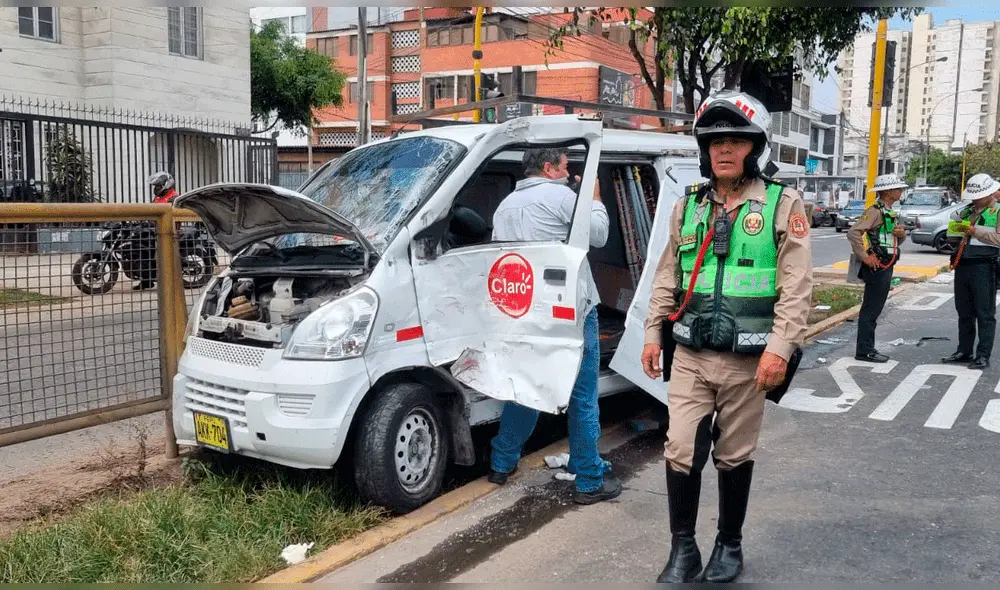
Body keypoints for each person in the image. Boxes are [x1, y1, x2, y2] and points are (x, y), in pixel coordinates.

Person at [640, 90, 813, 583]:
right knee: (679, 449)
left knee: (734, 455)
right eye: (715, 140)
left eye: (736, 140)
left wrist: (780, 350)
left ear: (755, 147)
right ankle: (683, 549)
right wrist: (653, 333)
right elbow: (666, 276)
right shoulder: (688, 207)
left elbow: (797, 286)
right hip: (691, 354)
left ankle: (728, 545)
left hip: (749, 359)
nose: (723, 149)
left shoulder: (782, 203)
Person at [486, 147, 622, 505]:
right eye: (564, 166)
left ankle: (502, 462)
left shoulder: (504, 207)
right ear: (548, 168)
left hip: (526, 311)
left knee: (526, 387)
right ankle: (589, 479)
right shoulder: (563, 197)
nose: (569, 171)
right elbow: (599, 235)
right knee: (582, 396)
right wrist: (592, 197)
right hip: (571, 311)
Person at [846, 174, 908, 363]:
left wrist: (901, 235)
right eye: (898, 189)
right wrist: (865, 257)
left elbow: (892, 241)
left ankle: (867, 348)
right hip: (878, 266)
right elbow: (853, 232)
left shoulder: (890, 211)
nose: (901, 192)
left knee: (875, 309)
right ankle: (864, 351)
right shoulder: (874, 211)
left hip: (887, 264)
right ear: (888, 192)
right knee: (871, 310)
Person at [941, 172, 1000, 369]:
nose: (975, 199)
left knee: (985, 313)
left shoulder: (997, 211)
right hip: (963, 265)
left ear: (991, 193)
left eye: (979, 196)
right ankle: (964, 351)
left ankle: (982, 355)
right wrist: (955, 231)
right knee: (964, 311)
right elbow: (953, 238)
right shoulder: (966, 211)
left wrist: (976, 231)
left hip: (985, 266)